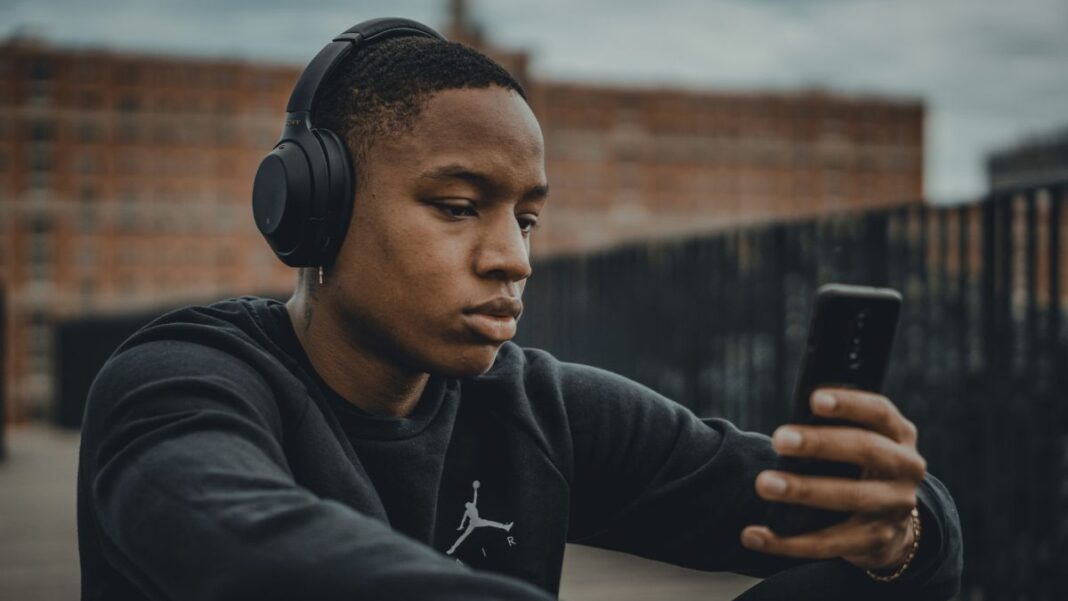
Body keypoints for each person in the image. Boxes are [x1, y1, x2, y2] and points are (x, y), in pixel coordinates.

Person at [76, 18, 962, 601]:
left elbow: (866, 517)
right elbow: (242, 543)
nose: (514, 256)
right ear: (318, 211)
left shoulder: (536, 406)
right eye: (459, 206)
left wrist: (895, 526)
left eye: (527, 217)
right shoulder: (180, 381)